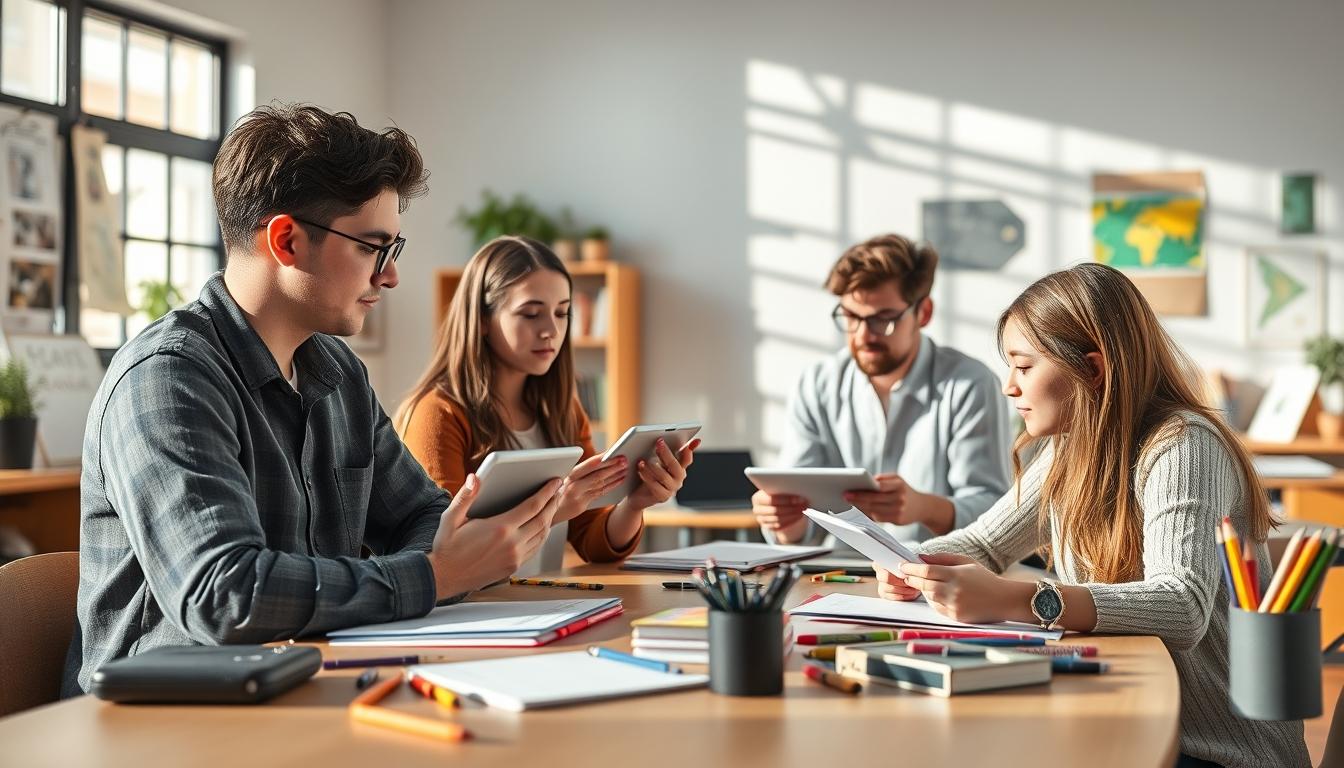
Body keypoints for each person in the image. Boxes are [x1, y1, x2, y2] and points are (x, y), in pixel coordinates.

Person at [63, 104, 558, 696]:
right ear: (287, 241)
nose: (391, 275)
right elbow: (225, 596)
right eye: (374, 247)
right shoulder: (167, 380)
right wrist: (433, 574)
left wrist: (446, 559)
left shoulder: (338, 374)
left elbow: (424, 514)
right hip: (161, 721)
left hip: (307, 686)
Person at [876, 263, 1309, 768]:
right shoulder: (1073, 450)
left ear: (1092, 369)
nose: (1008, 387)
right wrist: (911, 563)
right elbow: (986, 545)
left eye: (1023, 366)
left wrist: (1019, 598)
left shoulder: (1183, 446)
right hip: (1136, 716)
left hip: (1220, 752)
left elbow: (1181, 605)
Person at [397, 235, 698, 574]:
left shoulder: (562, 408)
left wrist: (635, 504)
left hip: (540, 606)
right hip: (473, 614)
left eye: (562, 313)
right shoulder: (437, 413)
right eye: (530, 314)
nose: (551, 330)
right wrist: (555, 508)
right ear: (481, 320)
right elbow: (444, 553)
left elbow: (593, 542)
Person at [754, 234, 1011, 551]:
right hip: (841, 576)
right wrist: (785, 521)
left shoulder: (969, 384)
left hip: (934, 576)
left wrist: (924, 508)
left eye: (883, 319)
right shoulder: (816, 385)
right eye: (851, 317)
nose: (863, 335)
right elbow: (801, 523)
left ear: (924, 313)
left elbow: (998, 514)